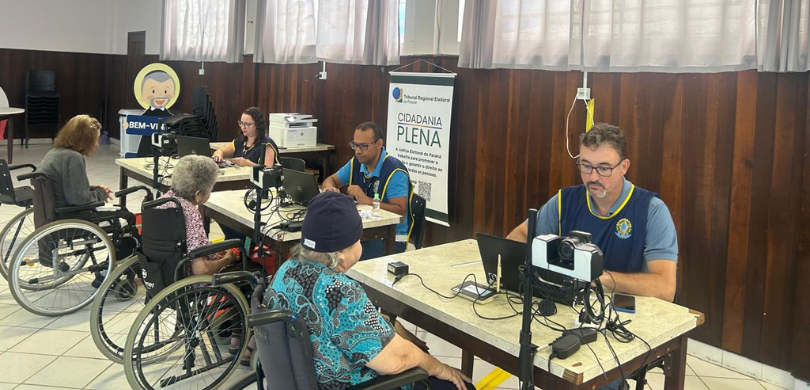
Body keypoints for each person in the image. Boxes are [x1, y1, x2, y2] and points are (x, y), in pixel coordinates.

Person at [263, 191, 475, 390]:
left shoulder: (286, 270)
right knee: (456, 385)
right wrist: (440, 367)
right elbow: (395, 362)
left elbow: (358, 324)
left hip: (299, 380)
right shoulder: (340, 292)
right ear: (342, 252)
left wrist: (407, 338)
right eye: (359, 238)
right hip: (354, 384)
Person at [507, 123, 678, 303]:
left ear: (624, 167)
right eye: (586, 165)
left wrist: (601, 279)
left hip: (626, 319)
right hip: (568, 309)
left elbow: (666, 288)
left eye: (604, 168)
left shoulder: (652, 210)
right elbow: (517, 237)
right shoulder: (564, 200)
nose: (593, 177)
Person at [38, 114, 137, 285]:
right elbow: (79, 198)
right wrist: (100, 194)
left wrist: (95, 189)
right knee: (126, 217)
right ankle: (108, 273)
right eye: (96, 139)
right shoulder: (73, 159)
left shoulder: (55, 153)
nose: (97, 144)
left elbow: (67, 187)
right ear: (86, 139)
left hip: (55, 211)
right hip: (71, 215)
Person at [322, 122, 412, 259]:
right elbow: (331, 180)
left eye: (364, 146)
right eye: (355, 145)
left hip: (389, 238)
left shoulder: (395, 171)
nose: (358, 151)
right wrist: (329, 188)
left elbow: (400, 211)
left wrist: (367, 200)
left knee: (339, 257)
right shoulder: (356, 163)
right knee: (325, 246)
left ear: (379, 144)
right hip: (361, 232)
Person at [155, 155, 240, 276]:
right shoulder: (190, 213)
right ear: (198, 194)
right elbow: (201, 270)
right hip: (189, 282)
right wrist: (227, 260)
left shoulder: (160, 202)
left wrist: (213, 253)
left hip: (161, 274)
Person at [212, 106, 280, 167]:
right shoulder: (240, 141)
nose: (243, 127)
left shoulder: (267, 144)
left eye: (247, 124)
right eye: (241, 123)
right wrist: (218, 155)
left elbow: (268, 170)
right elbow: (221, 151)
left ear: (258, 125)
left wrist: (248, 164)